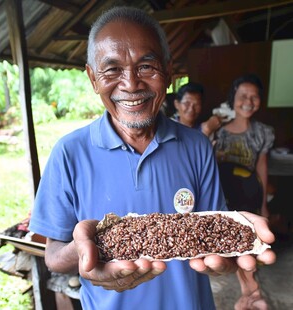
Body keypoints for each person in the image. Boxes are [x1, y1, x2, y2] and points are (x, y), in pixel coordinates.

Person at [29, 7, 275, 310]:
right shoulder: (69, 153)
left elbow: (214, 228)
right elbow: (53, 256)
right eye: (112, 70)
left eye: (147, 67)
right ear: (93, 78)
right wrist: (85, 251)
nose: (131, 84)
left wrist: (238, 271)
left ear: (169, 74)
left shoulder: (196, 145)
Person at [214, 74, 275, 309]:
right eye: (243, 96)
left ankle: (249, 292)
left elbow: (261, 166)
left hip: (250, 197)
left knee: (251, 245)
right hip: (225, 198)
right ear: (233, 99)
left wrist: (263, 204)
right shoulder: (218, 132)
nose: (248, 101)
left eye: (254, 97)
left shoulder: (264, 133)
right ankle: (250, 292)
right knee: (235, 246)